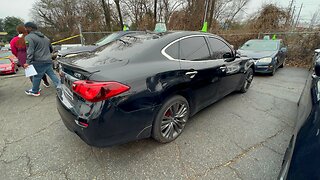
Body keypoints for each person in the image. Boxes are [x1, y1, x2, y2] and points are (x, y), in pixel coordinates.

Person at [23, 22, 61, 96]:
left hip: (38, 61)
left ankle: (35, 91)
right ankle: (60, 87)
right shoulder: (45, 37)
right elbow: (50, 49)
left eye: (25, 28)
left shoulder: (29, 37)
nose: (25, 30)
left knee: (37, 76)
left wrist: (27, 62)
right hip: (48, 60)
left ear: (29, 28)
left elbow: (30, 50)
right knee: (52, 75)